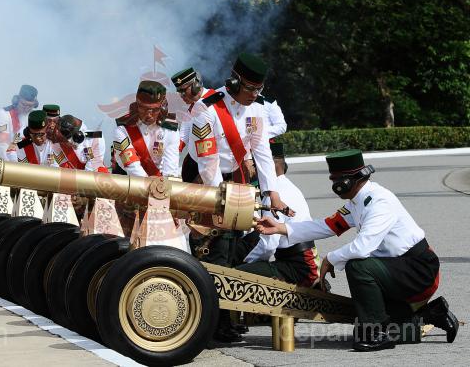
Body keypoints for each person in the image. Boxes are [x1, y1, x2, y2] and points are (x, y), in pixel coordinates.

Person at [256, 149, 459, 351]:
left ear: (348, 181)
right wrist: (281, 228)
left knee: (358, 267)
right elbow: (326, 226)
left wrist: (330, 258)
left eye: (336, 180)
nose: (334, 185)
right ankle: (432, 314)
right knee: (363, 332)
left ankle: (378, 333)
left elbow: (362, 247)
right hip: (395, 270)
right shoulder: (357, 201)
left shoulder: (379, 201)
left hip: (418, 271)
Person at [187, 53, 292, 342]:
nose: (255, 95)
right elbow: (207, 162)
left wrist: (272, 193)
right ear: (234, 83)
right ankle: (212, 325)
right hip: (208, 182)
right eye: (251, 89)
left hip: (237, 180)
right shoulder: (206, 108)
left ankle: (226, 320)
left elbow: (262, 152)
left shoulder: (257, 109)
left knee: (233, 250)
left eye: (259, 89)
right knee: (214, 252)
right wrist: (223, 200)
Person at [236, 142, 320, 288]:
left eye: (256, 165)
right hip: (301, 261)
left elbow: (268, 246)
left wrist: (244, 263)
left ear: (269, 166)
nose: (253, 170)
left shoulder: (274, 197)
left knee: (236, 276)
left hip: (299, 268)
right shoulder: (288, 185)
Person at [112, 80, 180, 177]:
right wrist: (149, 184)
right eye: (144, 108)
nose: (149, 115)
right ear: (137, 104)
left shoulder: (170, 130)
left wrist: (164, 184)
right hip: (130, 180)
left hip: (160, 181)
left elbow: (170, 169)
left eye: (155, 109)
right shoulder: (122, 129)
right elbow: (132, 166)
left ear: (163, 106)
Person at [170, 67, 217, 183]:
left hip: (214, 166)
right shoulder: (193, 107)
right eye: (179, 92)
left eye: (183, 91)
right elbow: (182, 137)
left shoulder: (215, 101)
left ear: (196, 86)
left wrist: (205, 174)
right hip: (195, 164)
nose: (181, 96)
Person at [0, 85, 38, 160]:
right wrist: (10, 164)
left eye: (30, 106)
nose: (26, 108)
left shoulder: (33, 118)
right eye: (23, 104)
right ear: (16, 100)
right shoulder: (4, 114)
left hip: (17, 155)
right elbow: (1, 142)